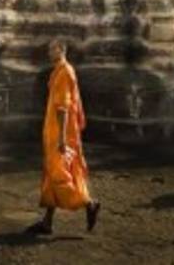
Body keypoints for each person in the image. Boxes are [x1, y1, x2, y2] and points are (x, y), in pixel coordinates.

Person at [26, 38, 102, 235]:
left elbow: (64, 107)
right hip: (56, 131)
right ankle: (47, 222)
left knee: (60, 176)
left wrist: (61, 138)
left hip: (62, 133)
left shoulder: (65, 72)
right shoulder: (60, 71)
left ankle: (89, 204)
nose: (49, 53)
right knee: (53, 174)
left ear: (61, 50)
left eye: (52, 49)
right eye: (49, 49)